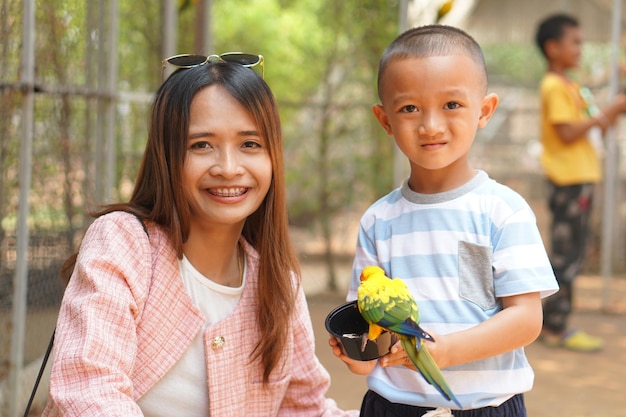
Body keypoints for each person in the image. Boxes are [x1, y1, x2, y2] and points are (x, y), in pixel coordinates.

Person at [43, 53, 357, 416]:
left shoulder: (278, 282)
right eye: (201, 145)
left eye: (249, 144)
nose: (228, 168)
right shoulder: (123, 243)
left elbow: (304, 410)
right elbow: (88, 389)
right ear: (167, 156)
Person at [329, 25, 559, 416]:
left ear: (484, 111)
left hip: (487, 405)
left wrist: (446, 351)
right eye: (409, 108)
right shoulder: (378, 220)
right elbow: (370, 322)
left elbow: (525, 319)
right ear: (385, 120)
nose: (431, 125)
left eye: (451, 105)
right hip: (394, 404)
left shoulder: (503, 210)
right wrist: (360, 355)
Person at [535, 13, 626, 352]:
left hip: (581, 179)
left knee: (571, 253)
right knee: (565, 255)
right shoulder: (554, 87)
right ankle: (554, 327)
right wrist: (608, 112)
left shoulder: (571, 85)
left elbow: (592, 125)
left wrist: (611, 112)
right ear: (552, 47)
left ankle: (555, 323)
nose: (580, 48)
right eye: (574, 42)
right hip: (569, 180)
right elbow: (567, 131)